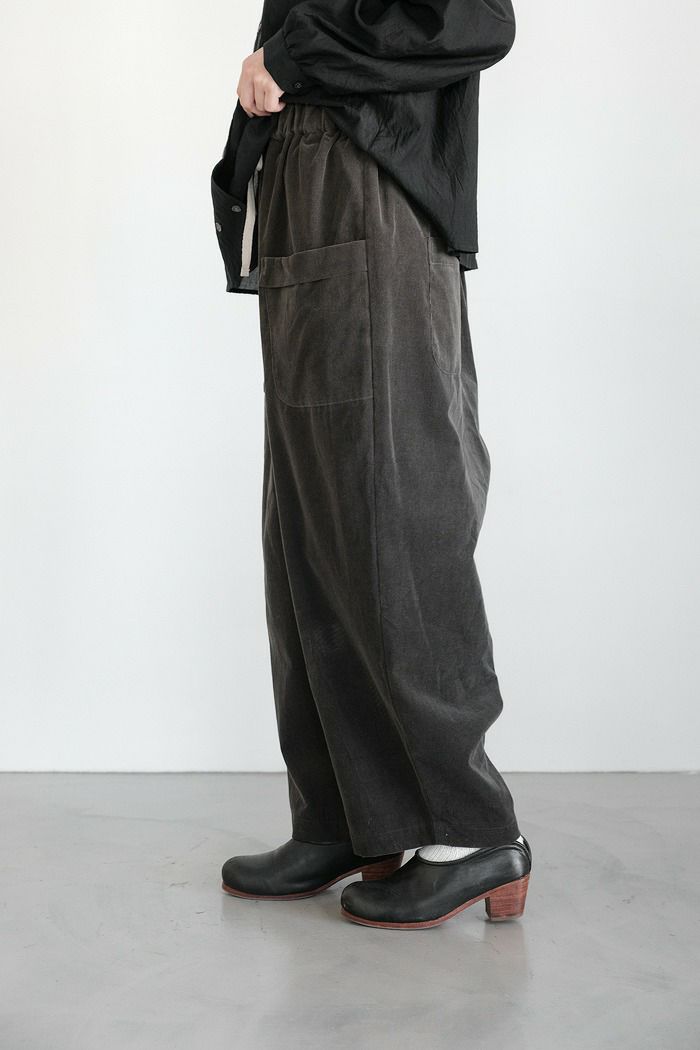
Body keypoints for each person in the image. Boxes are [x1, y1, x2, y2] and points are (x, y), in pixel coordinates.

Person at [212, 0, 532, 930]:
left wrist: (288, 52)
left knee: (395, 507)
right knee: (310, 531)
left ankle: (469, 832)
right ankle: (354, 820)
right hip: (315, 185)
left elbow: (473, 19)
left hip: (369, 185)